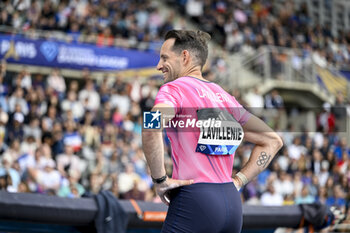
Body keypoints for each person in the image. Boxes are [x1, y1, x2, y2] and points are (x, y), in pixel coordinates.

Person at [142, 30, 283, 233]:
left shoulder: (175, 89)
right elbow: (273, 141)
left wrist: (160, 180)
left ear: (184, 57)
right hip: (232, 205)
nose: (158, 65)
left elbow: (150, 126)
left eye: (164, 58)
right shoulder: (225, 97)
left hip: (194, 201)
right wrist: (239, 180)